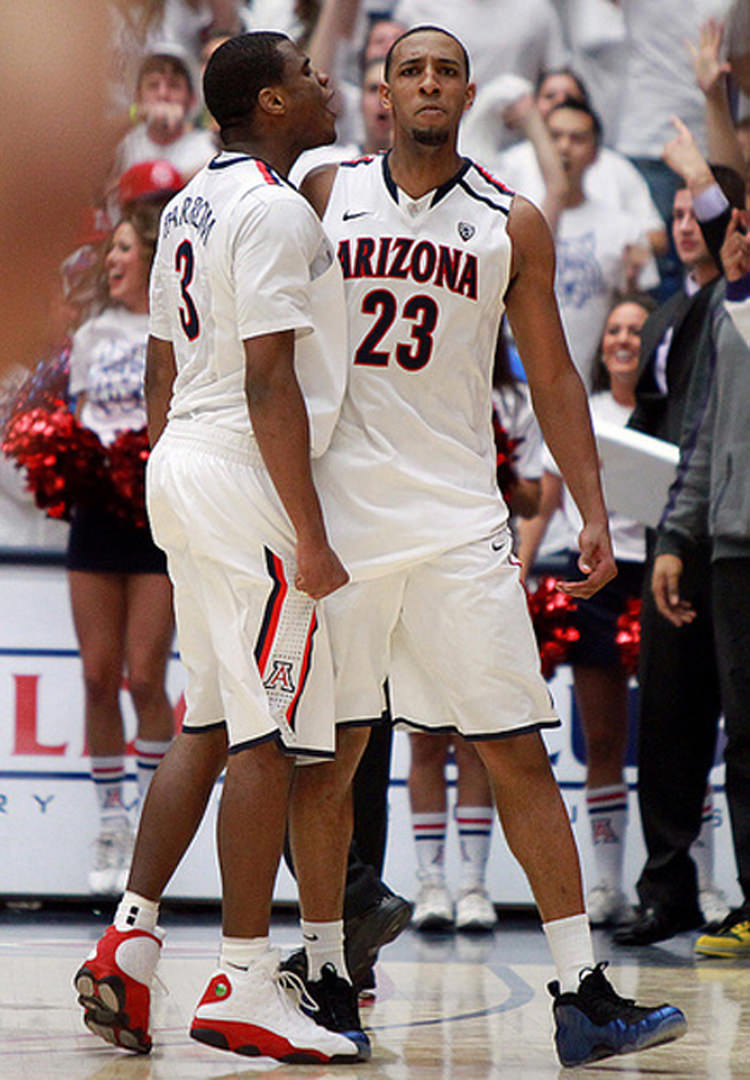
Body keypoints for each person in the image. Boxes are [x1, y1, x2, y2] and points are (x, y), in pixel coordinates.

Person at [300, 25, 686, 1068]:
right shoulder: (326, 193)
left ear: (468, 92)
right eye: (410, 69)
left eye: (444, 72)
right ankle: (325, 976)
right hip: (340, 522)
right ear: (384, 90)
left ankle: (579, 990)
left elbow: (556, 377)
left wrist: (591, 511)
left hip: (459, 520)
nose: (427, 83)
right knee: (330, 759)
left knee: (514, 742)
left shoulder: (511, 220)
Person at [73, 32, 369, 1063]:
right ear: (273, 106)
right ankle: (246, 979)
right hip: (246, 471)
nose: (325, 83)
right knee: (272, 734)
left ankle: (131, 942)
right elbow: (271, 382)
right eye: (306, 74)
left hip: (184, 463)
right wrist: (312, 536)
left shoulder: (194, 200)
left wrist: (175, 480)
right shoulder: (278, 208)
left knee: (208, 713)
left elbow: (162, 361)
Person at [615, 160, 745, 947]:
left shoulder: (737, 312)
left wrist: (713, 108)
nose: (693, 224)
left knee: (741, 718)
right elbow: (677, 422)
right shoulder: (668, 314)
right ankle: (668, 888)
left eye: (715, 213)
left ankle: (737, 891)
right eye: (685, 214)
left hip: (726, 526)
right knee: (666, 711)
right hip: (673, 521)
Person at [518, 295, 654, 927]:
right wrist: (518, 568)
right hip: (596, 583)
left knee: (672, 739)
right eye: (615, 330)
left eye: (637, 331)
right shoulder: (582, 413)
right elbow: (543, 510)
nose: (624, 340)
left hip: (658, 576)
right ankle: (606, 887)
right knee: (603, 738)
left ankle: (701, 885)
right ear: (601, 344)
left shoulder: (669, 411)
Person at [408, 341, 542, 935]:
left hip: (484, 563)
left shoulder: (513, 401)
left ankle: (473, 883)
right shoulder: (418, 386)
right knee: (424, 735)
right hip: (415, 560)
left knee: (477, 734)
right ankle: (430, 881)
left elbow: (537, 494)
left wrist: (505, 467)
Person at [65, 202, 176, 896]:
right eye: (109, 251)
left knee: (145, 676)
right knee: (98, 676)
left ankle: (151, 822)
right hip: (96, 514)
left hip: (154, 513)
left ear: (153, 258)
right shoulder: (88, 335)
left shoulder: (171, 330)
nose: (112, 260)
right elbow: (70, 419)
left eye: (125, 249)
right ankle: (111, 820)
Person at [649, 209, 750, 958]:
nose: (734, 240)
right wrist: (679, 536)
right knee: (741, 739)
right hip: (732, 546)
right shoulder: (725, 312)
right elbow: (705, 434)